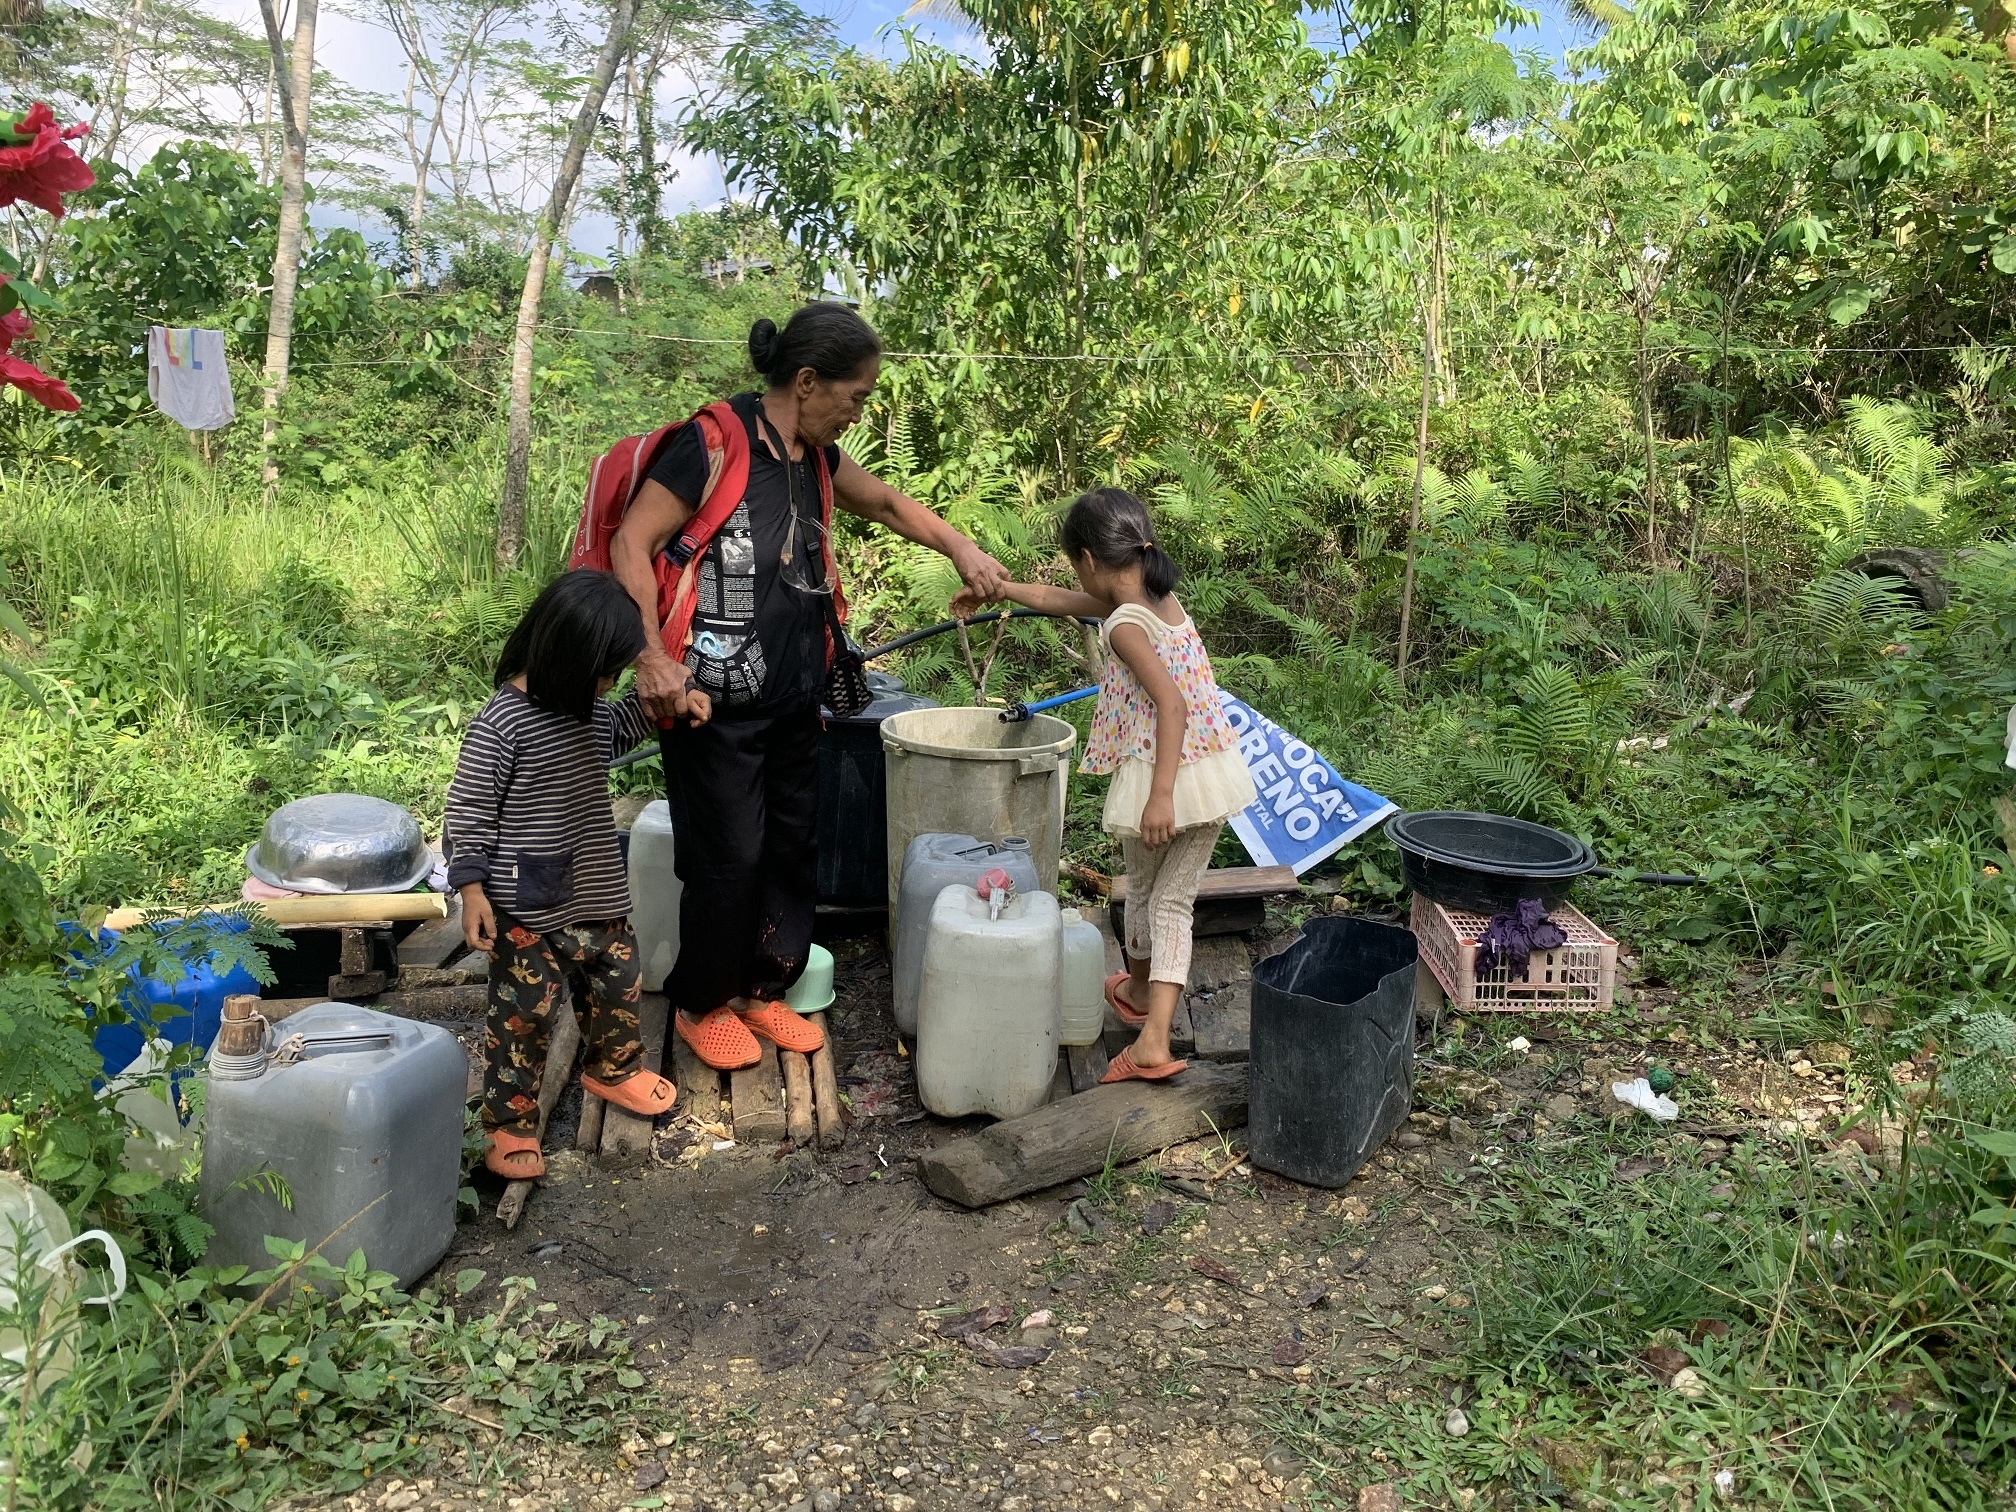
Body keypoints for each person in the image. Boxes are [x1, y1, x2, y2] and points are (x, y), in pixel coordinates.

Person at [610, 303, 1009, 1071]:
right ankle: (703, 1002)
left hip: (798, 692)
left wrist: (961, 547)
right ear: (807, 381)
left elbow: (889, 503)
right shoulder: (711, 445)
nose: (858, 412)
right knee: (728, 854)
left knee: (793, 848)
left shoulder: (814, 458)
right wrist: (650, 656)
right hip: (706, 700)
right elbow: (634, 539)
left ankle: (765, 990)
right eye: (855, 396)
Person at [954, 488, 1255, 1084]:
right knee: (1141, 886)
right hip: (1189, 769)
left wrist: (1162, 794)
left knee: (1167, 902)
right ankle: (1141, 994)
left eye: (1074, 564)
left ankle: (1154, 1041)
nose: (1074, 577)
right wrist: (1002, 589)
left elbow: (1171, 705)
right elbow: (1058, 599)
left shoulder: (1123, 627)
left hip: (1173, 778)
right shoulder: (1155, 599)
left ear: (1089, 559)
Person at [443, 569, 699, 1179]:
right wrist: (472, 889)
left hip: (595, 885)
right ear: (570, 655)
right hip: (525, 903)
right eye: (607, 669)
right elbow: (469, 808)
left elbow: (622, 724)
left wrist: (675, 700)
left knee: (617, 983)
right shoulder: (501, 725)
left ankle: (615, 1069)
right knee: (523, 1015)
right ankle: (507, 1122)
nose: (611, 683)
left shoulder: (583, 709)